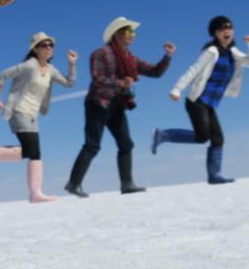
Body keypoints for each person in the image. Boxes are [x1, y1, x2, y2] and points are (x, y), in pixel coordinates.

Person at [63, 16, 175, 198]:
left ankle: (127, 184)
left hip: (117, 105)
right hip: (98, 103)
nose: (132, 35)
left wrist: (167, 56)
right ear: (116, 34)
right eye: (128, 31)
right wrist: (121, 83)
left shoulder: (130, 58)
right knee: (92, 145)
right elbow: (97, 78)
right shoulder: (100, 53)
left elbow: (155, 72)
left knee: (126, 144)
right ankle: (73, 184)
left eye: (133, 32)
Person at [151, 15, 249, 184]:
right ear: (215, 33)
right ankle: (163, 135)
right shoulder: (211, 52)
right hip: (197, 100)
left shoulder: (233, 53)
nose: (227, 30)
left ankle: (214, 175)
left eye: (230, 27)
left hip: (210, 103)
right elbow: (193, 70)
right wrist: (177, 89)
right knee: (203, 136)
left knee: (217, 139)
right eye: (222, 28)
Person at [0, 32, 78, 203]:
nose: (49, 48)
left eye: (51, 45)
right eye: (44, 45)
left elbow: (69, 83)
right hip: (18, 110)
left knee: (32, 152)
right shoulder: (29, 66)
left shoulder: (51, 70)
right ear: (35, 49)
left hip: (32, 114)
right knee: (33, 151)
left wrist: (72, 64)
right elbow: (3, 74)